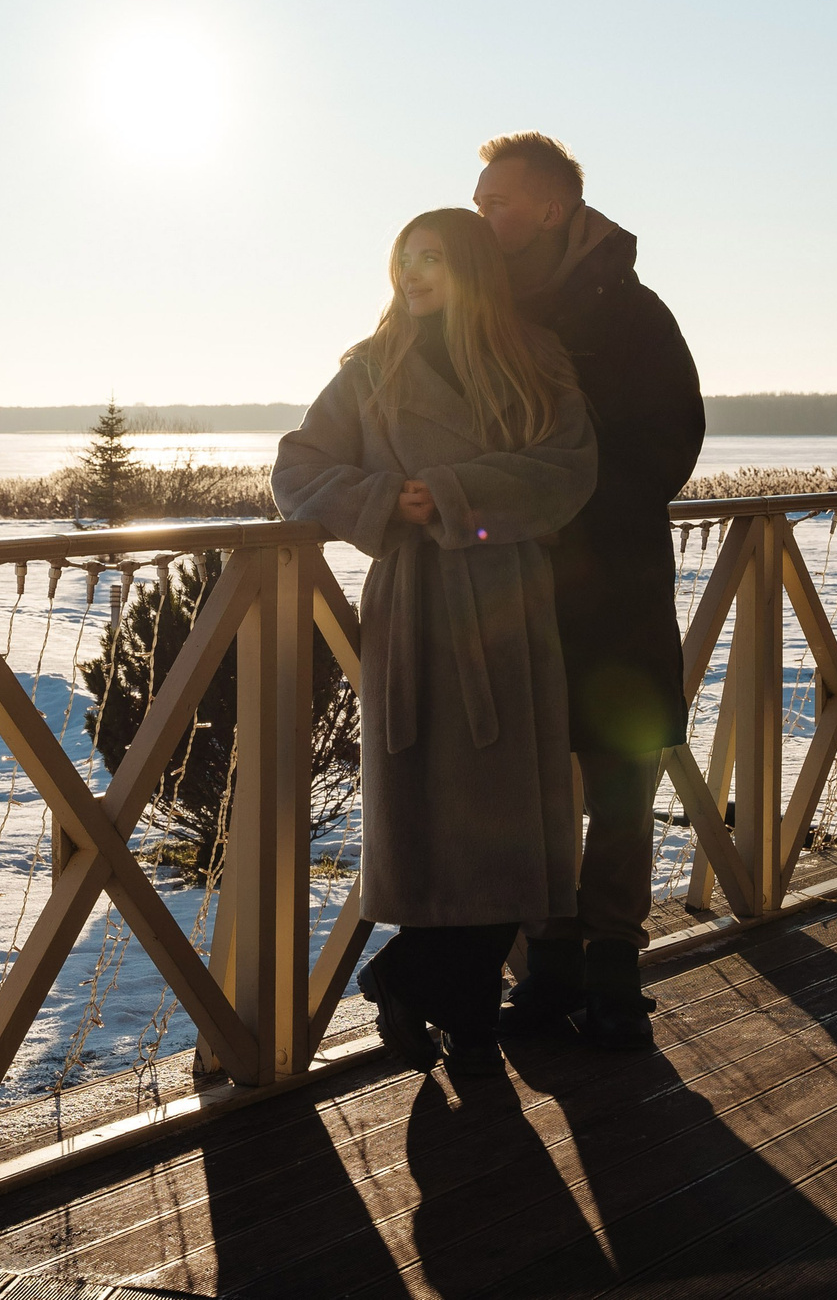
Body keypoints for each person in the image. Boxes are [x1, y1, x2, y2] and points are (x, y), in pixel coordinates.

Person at [272, 208, 597, 1079]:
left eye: (432, 259)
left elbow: (569, 469)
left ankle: (418, 984)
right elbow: (295, 469)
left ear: (475, 271)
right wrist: (384, 501)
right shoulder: (372, 370)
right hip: (416, 612)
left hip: (510, 609)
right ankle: (454, 1006)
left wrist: (452, 493)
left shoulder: (535, 360)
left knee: (504, 820)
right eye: (403, 259)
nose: (412, 274)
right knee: (432, 815)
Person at [471, 131, 705, 1052]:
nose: (483, 214)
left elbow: (673, 438)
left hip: (615, 589)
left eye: (497, 200)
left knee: (617, 788)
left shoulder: (632, 312)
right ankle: (544, 969)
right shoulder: (482, 311)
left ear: (552, 208)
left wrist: (569, 502)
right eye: (480, 199)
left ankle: (614, 969)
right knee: (525, 792)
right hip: (511, 593)